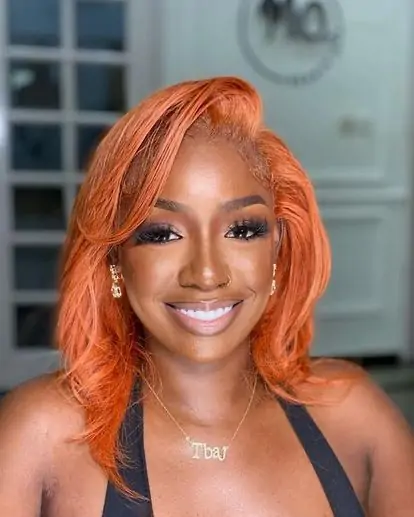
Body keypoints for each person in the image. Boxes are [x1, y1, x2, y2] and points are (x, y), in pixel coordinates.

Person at [0, 77, 412, 517]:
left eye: (242, 230)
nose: (206, 274)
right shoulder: (40, 436)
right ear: (116, 258)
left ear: (277, 248)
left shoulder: (353, 417)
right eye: (162, 234)